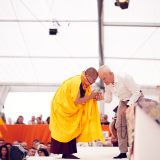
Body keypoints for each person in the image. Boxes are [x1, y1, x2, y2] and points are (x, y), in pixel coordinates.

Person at [49, 67, 104, 159]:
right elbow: (77, 101)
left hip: (68, 109)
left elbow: (85, 97)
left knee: (71, 128)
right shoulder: (77, 82)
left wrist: (94, 97)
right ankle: (66, 153)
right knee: (65, 130)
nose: (94, 82)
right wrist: (91, 96)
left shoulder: (84, 82)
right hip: (62, 108)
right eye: (93, 79)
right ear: (87, 75)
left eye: (96, 80)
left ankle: (67, 153)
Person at [98, 65, 150, 159]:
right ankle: (122, 152)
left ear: (110, 74)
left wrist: (128, 106)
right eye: (102, 79)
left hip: (137, 98)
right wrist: (101, 98)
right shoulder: (107, 84)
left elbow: (137, 92)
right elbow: (108, 99)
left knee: (138, 125)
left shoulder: (125, 77)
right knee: (119, 124)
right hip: (123, 100)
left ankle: (141, 149)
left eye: (104, 78)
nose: (103, 81)